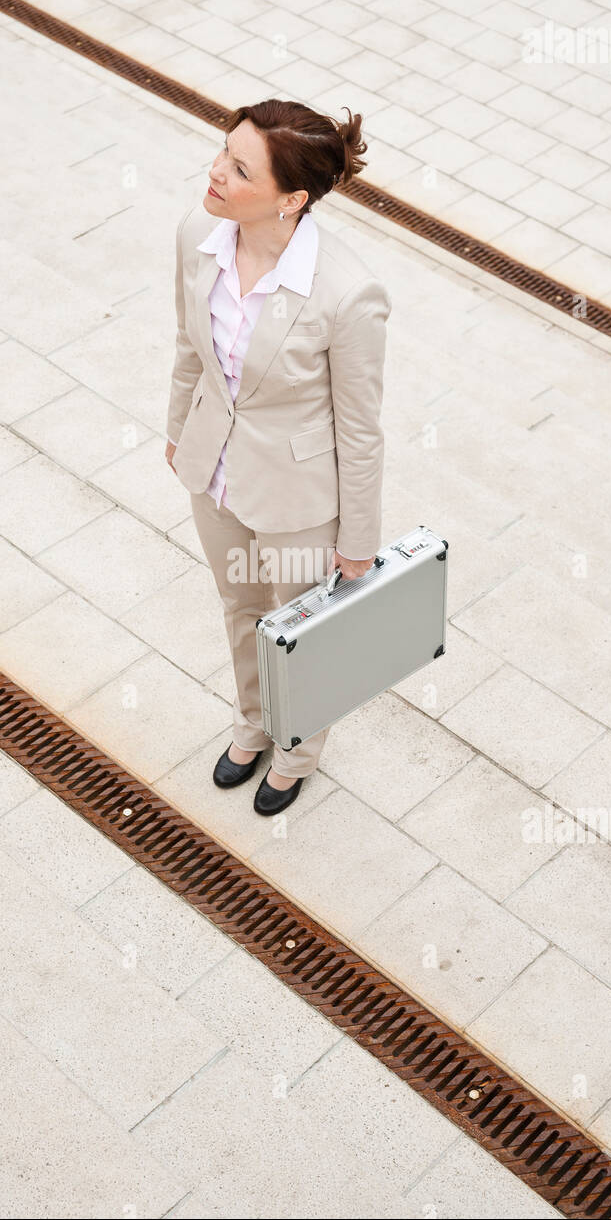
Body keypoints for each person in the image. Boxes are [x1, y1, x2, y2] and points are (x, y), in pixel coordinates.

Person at [165, 98, 391, 816]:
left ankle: (298, 749)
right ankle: (255, 720)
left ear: (292, 199)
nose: (216, 173)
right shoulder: (200, 232)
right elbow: (186, 346)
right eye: (221, 154)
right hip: (215, 472)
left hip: (297, 497)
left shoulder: (348, 294)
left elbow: (360, 429)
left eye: (239, 168)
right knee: (239, 605)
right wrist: (179, 432)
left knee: (300, 625)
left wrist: (357, 541)